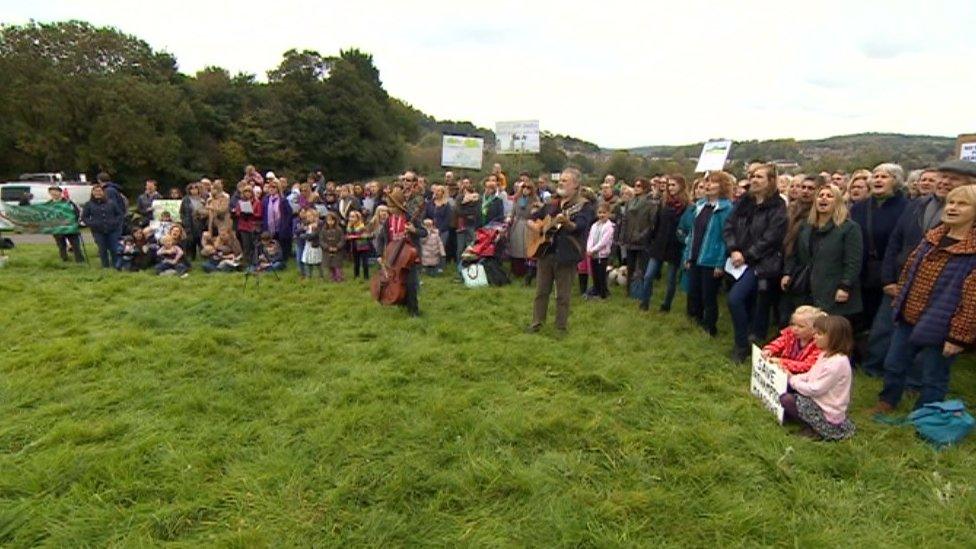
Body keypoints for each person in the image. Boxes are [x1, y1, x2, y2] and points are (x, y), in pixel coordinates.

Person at [862, 160, 976, 378]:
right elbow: (896, 241)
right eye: (943, 176)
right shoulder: (916, 204)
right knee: (884, 330)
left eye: (953, 179)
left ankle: (915, 382)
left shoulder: (968, 219)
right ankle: (874, 370)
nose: (944, 182)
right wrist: (888, 279)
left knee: (927, 341)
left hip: (942, 291)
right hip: (901, 284)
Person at [723, 163, 789, 362]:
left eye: (759, 177)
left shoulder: (778, 206)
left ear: (771, 181)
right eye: (752, 176)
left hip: (761, 264)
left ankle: (741, 345)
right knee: (745, 303)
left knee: (735, 299)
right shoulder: (744, 202)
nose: (753, 180)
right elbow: (729, 226)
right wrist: (734, 249)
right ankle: (749, 339)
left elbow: (772, 238)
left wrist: (747, 255)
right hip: (737, 261)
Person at [526, 168, 595, 333]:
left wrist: (566, 222)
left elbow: (580, 227)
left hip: (567, 253)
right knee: (541, 291)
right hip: (546, 252)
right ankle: (537, 323)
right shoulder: (552, 204)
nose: (561, 183)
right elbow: (531, 218)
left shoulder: (584, 206)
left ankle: (560, 327)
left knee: (563, 295)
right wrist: (537, 228)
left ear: (576, 184)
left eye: (565, 180)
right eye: (560, 180)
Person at [781, 185, 863, 319]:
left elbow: (853, 261)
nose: (824, 198)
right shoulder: (805, 226)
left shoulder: (849, 228)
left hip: (833, 288)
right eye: (820, 195)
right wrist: (788, 273)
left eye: (829, 196)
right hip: (807, 287)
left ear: (837, 202)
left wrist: (845, 286)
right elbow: (794, 253)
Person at [849, 163, 909, 327]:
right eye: (875, 176)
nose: (878, 180)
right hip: (863, 270)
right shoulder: (859, 207)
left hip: (892, 272)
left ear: (895, 181)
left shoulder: (907, 207)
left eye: (884, 177)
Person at [779, 315, 856, 441]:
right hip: (817, 401)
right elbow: (811, 375)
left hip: (827, 412)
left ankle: (816, 429)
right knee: (788, 389)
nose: (815, 337)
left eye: (819, 334)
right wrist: (793, 377)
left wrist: (792, 381)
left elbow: (816, 389)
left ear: (834, 338)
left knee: (786, 399)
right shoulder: (825, 354)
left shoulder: (837, 363)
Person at [682, 171, 735, 337]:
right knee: (694, 292)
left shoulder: (726, 208)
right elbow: (693, 233)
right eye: (707, 182)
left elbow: (724, 238)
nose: (708, 185)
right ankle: (695, 322)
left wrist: (720, 262)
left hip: (712, 259)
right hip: (696, 255)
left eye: (713, 182)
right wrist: (688, 256)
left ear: (722, 186)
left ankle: (710, 328)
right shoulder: (700, 205)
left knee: (709, 296)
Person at [639, 174, 689, 312]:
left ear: (681, 186)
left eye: (673, 185)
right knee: (649, 275)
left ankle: (666, 305)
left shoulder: (687, 206)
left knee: (671, 279)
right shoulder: (664, 202)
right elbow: (657, 223)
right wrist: (650, 240)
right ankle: (644, 302)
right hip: (659, 244)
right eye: (669, 185)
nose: (670, 188)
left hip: (674, 245)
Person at [374, 187, 427, 317]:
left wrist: (414, 230)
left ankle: (414, 312)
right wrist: (380, 254)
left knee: (411, 285)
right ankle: (403, 305)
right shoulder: (389, 220)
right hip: (394, 257)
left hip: (410, 258)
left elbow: (424, 232)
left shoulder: (410, 218)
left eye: (392, 207)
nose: (390, 210)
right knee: (399, 283)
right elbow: (380, 238)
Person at [763, 305, 827, 374]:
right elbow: (778, 343)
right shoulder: (790, 334)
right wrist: (769, 350)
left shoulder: (819, 344)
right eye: (793, 324)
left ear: (814, 329)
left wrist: (782, 362)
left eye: (801, 326)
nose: (795, 329)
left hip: (805, 378)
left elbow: (808, 366)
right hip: (785, 372)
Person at [621, 178, 658, 293]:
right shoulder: (630, 202)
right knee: (630, 266)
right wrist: (622, 236)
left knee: (642, 267)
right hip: (630, 238)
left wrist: (643, 235)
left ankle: (642, 291)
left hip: (643, 240)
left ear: (645, 188)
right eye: (635, 185)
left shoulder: (651, 204)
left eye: (639, 186)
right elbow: (625, 220)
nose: (636, 188)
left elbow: (653, 223)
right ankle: (629, 290)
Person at [81, 185, 125, 268]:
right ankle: (105, 266)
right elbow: (84, 217)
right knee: (102, 248)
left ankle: (116, 265)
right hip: (98, 231)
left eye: (99, 191)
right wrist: (92, 223)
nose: (98, 193)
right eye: (95, 191)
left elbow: (119, 214)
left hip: (112, 229)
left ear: (103, 192)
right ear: (92, 193)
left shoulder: (111, 203)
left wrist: (116, 222)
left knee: (114, 248)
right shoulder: (89, 204)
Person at [508, 181, 541, 277]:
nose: (526, 189)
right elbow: (513, 211)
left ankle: (528, 271)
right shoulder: (517, 199)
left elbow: (538, 214)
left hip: (529, 224)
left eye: (528, 188)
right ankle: (516, 270)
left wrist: (536, 210)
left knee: (527, 248)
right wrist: (510, 218)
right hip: (517, 224)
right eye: (524, 187)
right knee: (516, 246)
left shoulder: (535, 200)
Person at [44, 186, 85, 263]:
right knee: (61, 245)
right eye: (52, 192)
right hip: (57, 228)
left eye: (56, 192)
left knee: (75, 245)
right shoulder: (48, 204)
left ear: (60, 192)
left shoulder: (68, 202)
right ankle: (64, 260)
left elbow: (76, 212)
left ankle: (80, 260)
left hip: (70, 227)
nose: (54, 194)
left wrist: (75, 221)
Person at [585, 203, 615, 300]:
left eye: (604, 213)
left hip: (602, 255)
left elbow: (603, 242)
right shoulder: (594, 225)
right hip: (593, 255)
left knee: (601, 274)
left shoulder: (609, 227)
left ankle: (603, 294)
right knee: (595, 274)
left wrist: (593, 250)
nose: (601, 215)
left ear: (608, 214)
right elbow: (590, 238)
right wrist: (589, 249)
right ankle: (596, 291)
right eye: (599, 212)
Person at [260, 180, 293, 267]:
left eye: (274, 187)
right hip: (269, 227)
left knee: (281, 245)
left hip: (281, 227)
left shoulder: (283, 200)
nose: (271, 189)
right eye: (270, 187)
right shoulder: (265, 200)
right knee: (270, 245)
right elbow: (263, 214)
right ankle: (271, 261)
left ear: (278, 189)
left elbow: (289, 213)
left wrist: (285, 225)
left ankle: (282, 262)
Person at [233, 185, 263, 267]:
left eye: (249, 191)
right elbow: (237, 212)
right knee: (246, 245)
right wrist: (242, 213)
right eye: (245, 191)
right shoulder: (240, 202)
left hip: (253, 225)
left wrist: (251, 213)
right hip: (243, 226)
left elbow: (260, 214)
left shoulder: (257, 202)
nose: (247, 193)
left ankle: (255, 261)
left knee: (253, 245)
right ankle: (246, 263)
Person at [180, 182, 207, 261]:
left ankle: (203, 256)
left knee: (201, 239)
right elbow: (182, 212)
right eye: (192, 188)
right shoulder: (185, 199)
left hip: (201, 222)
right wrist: (184, 221)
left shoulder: (203, 198)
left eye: (196, 188)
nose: (194, 190)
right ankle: (191, 257)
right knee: (191, 240)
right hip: (189, 222)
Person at [296, 207, 324, 280]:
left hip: (315, 245)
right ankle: (308, 276)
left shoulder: (319, 224)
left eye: (310, 216)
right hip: (307, 245)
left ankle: (321, 276)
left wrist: (303, 236)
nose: (308, 218)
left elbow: (314, 235)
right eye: (307, 216)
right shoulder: (306, 223)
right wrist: (303, 229)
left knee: (317, 262)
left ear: (315, 216)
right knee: (307, 261)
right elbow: (298, 231)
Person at [345, 210, 372, 280]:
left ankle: (366, 277)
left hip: (363, 246)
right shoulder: (350, 226)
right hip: (354, 246)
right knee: (356, 262)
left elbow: (363, 235)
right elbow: (348, 235)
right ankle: (356, 276)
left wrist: (353, 236)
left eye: (353, 217)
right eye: (350, 217)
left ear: (358, 218)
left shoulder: (361, 226)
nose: (351, 219)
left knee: (364, 263)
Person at [320, 212, 345, 282]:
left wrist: (337, 247)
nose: (330, 222)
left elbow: (342, 239)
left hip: (337, 251)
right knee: (330, 266)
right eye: (328, 220)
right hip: (327, 251)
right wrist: (327, 247)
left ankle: (339, 278)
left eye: (332, 220)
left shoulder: (339, 230)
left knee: (337, 266)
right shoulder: (323, 230)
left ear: (335, 221)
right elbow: (321, 240)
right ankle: (332, 278)